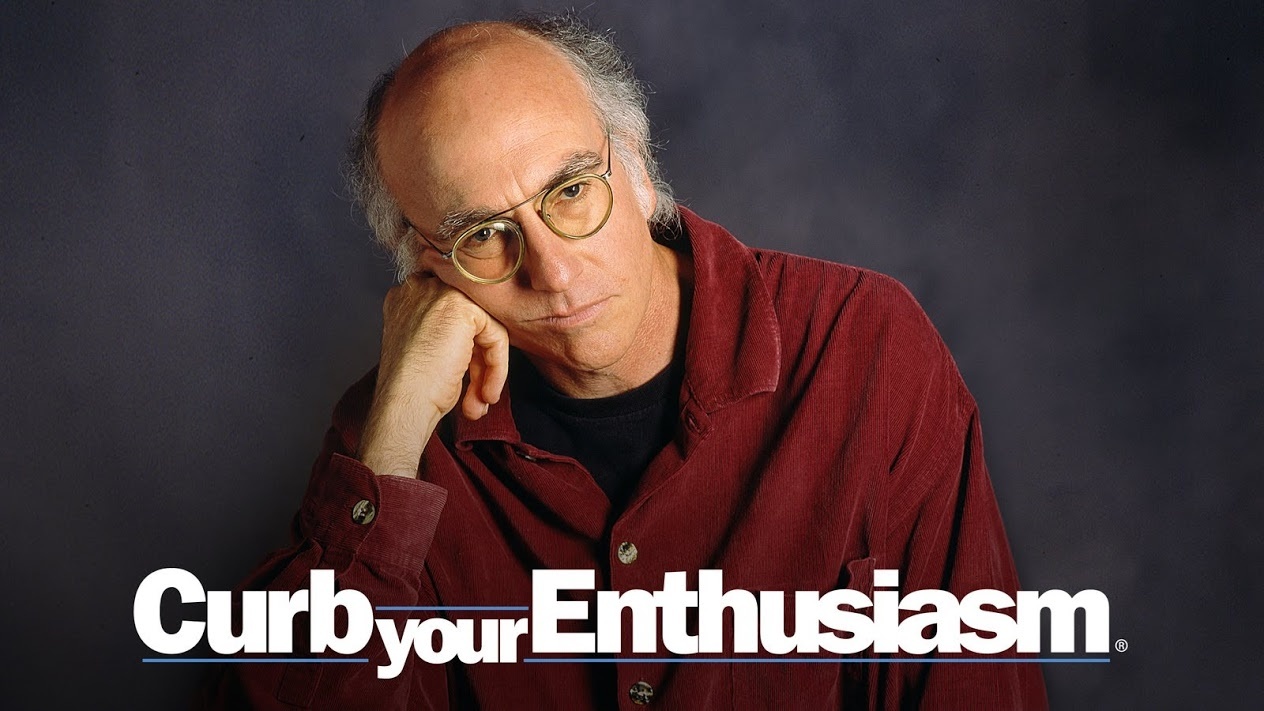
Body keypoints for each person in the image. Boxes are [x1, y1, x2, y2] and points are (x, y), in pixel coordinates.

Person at [200, 13, 1047, 710]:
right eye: (484, 235)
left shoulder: (866, 345)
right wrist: (388, 447)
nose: (553, 272)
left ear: (636, 166)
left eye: (571, 191)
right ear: (426, 266)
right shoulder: (392, 435)